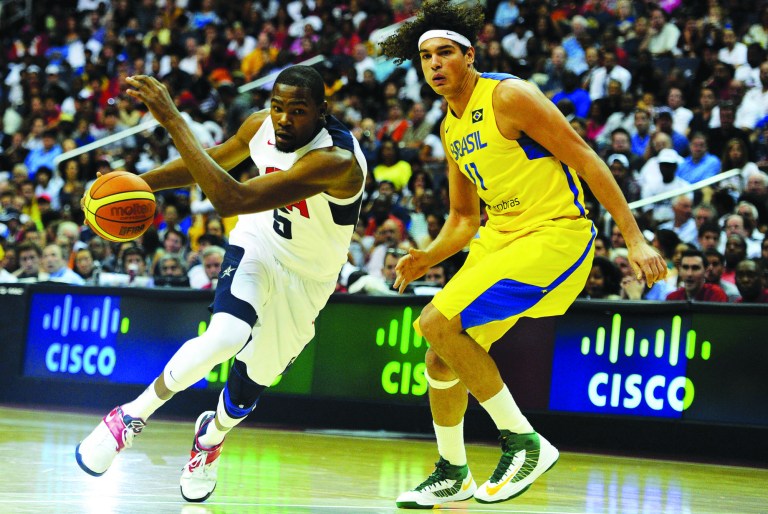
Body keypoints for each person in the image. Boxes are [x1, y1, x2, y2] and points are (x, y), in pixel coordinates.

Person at [379, 2, 667, 508]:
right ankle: (453, 472)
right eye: (426, 57)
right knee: (441, 356)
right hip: (501, 237)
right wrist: (428, 256)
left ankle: (523, 441)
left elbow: (586, 157)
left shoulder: (508, 95)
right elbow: (463, 218)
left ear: (470, 55)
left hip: (555, 234)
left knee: (434, 322)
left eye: (445, 53)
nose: (435, 64)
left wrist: (634, 237)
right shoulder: (448, 126)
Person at [75, 65, 367, 503]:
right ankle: (129, 417)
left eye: (298, 111)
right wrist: (129, 187)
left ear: (321, 111)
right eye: (277, 107)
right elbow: (210, 162)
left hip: (308, 279)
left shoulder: (336, 161)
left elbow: (232, 198)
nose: (284, 119)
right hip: (259, 242)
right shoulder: (260, 126)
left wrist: (173, 120)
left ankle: (210, 438)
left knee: (249, 388)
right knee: (226, 336)